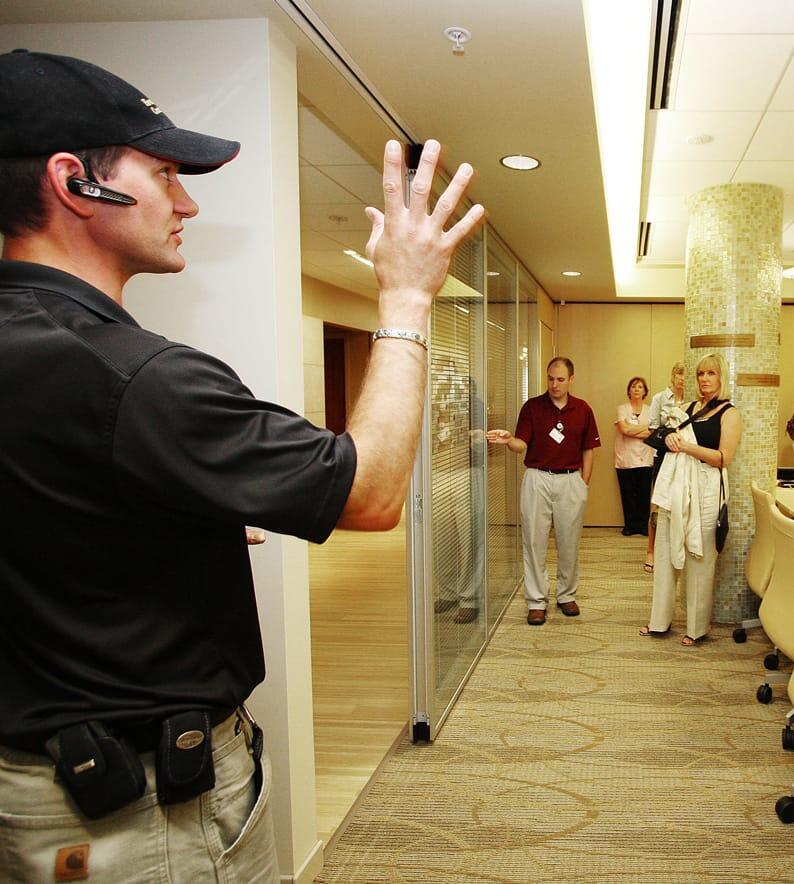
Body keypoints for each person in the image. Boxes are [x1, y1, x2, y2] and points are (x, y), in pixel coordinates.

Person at [0, 50, 483, 881]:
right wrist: (405, 301)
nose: (186, 201)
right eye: (162, 173)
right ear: (76, 181)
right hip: (140, 819)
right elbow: (368, 492)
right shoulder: (137, 378)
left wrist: (169, 522)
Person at [487, 357, 600, 624]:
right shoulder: (532, 407)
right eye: (550, 378)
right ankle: (536, 601)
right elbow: (520, 444)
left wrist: (584, 483)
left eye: (560, 379)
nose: (554, 384)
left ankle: (566, 595)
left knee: (569, 542)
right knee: (534, 541)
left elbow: (589, 449)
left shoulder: (583, 409)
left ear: (571, 379)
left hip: (571, 480)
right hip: (537, 478)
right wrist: (508, 440)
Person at [639, 354, 741, 646]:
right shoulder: (687, 407)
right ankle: (659, 621)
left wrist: (687, 447)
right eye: (700, 374)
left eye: (711, 373)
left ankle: (696, 628)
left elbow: (724, 457)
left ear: (721, 377)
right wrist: (670, 439)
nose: (704, 379)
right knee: (664, 552)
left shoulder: (729, 413)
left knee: (700, 558)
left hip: (707, 489)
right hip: (676, 487)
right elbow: (661, 435)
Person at [643, 361, 686, 573]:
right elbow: (652, 428)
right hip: (664, 455)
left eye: (686, 375)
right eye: (679, 374)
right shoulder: (660, 398)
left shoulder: (694, 400)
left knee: (679, 502)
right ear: (673, 375)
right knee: (657, 504)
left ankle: (676, 550)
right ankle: (651, 550)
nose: (682, 379)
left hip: (686, 456)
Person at [614, 376, 653, 536]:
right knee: (628, 492)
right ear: (629, 391)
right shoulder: (622, 408)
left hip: (646, 456)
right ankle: (630, 525)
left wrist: (633, 429)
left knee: (644, 493)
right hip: (626, 457)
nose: (637, 389)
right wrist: (644, 429)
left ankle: (643, 526)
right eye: (634, 387)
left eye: (640, 387)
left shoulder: (650, 410)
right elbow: (624, 430)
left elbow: (653, 432)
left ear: (645, 392)